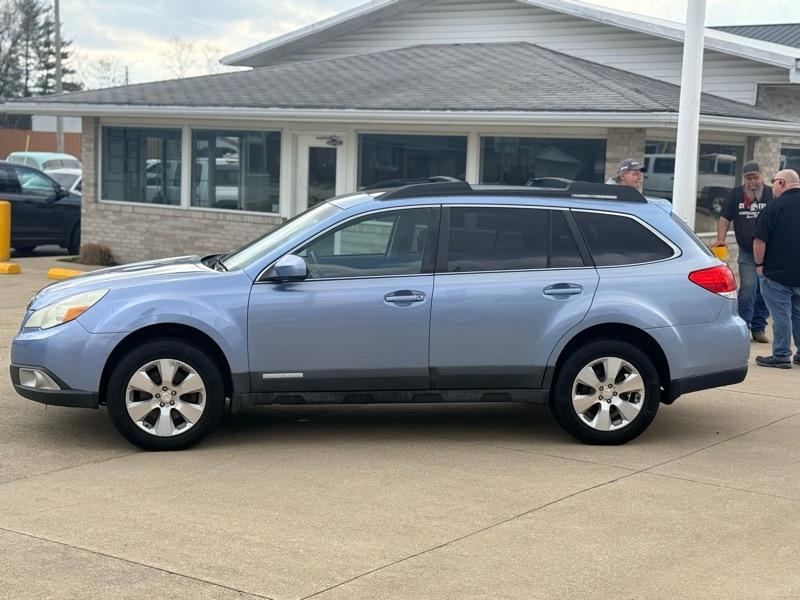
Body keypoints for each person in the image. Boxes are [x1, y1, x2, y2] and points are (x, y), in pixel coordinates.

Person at [711, 161, 772, 343]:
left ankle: (759, 328)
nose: (752, 181)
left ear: (762, 176)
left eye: (755, 177)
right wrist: (720, 238)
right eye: (748, 178)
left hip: (770, 254)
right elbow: (724, 219)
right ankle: (744, 327)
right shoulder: (735, 194)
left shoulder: (771, 194)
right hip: (746, 253)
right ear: (743, 179)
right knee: (748, 290)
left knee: (765, 292)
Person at [752, 169, 800, 368]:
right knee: (798, 314)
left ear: (781, 183)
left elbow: (759, 241)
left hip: (777, 273)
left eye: (774, 182)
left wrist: (759, 265)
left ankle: (781, 355)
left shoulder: (774, 208)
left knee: (781, 315)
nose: (772, 187)